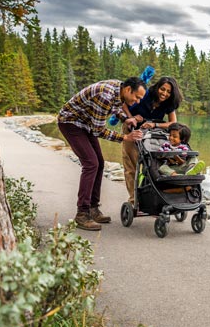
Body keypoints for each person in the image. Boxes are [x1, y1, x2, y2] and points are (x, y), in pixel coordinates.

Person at [57, 77, 145, 231]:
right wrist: (125, 137)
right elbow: (98, 131)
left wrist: (126, 119)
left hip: (86, 123)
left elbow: (115, 108)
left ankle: (93, 208)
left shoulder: (119, 88)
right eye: (137, 97)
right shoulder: (105, 95)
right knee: (91, 163)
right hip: (70, 122)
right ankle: (82, 214)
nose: (137, 101)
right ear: (128, 90)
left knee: (100, 163)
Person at [121, 76, 183, 205]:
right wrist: (130, 117)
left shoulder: (169, 103)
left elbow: (173, 123)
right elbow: (124, 104)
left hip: (152, 133)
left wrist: (155, 125)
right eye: (162, 89)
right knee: (132, 166)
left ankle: (153, 198)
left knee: (152, 164)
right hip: (132, 129)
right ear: (157, 87)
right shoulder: (146, 93)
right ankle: (134, 200)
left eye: (168, 91)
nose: (164, 93)